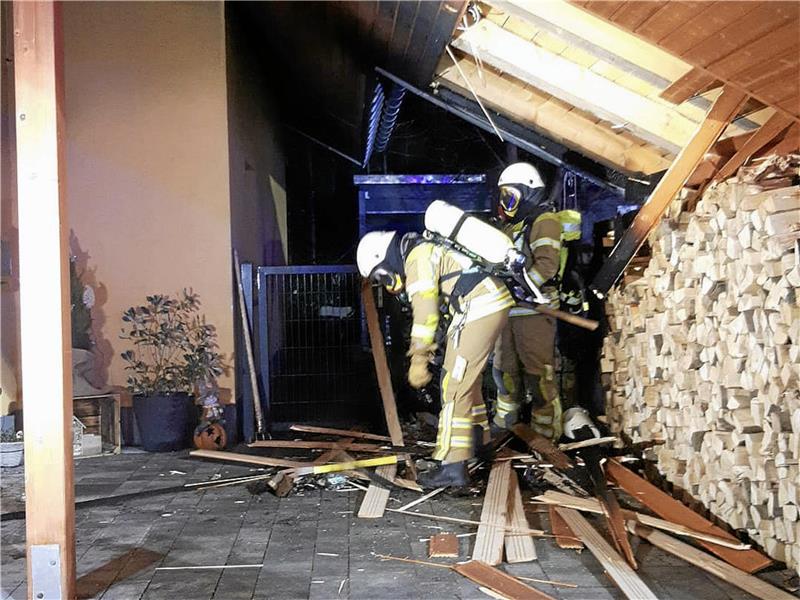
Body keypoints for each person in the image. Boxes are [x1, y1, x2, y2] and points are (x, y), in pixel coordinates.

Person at [356, 229, 514, 487]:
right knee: (467, 383)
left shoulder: (416, 258)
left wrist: (419, 359)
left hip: (479, 307)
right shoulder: (422, 249)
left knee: (453, 385)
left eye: (381, 275)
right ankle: (480, 445)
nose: (387, 282)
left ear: (384, 258)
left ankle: (453, 466)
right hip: (489, 303)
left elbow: (426, 315)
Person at [491, 162, 564, 440]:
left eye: (510, 196)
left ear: (529, 192)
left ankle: (545, 433)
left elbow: (547, 265)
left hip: (535, 311)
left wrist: (523, 288)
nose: (506, 204)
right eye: (503, 197)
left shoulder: (545, 221)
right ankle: (507, 421)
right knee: (503, 370)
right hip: (508, 311)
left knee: (538, 374)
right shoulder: (512, 227)